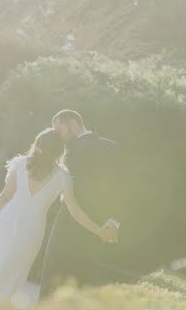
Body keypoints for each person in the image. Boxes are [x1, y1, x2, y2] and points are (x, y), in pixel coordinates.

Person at [0, 127, 118, 310]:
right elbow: (75, 211)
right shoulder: (64, 177)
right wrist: (99, 230)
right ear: (60, 151)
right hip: (32, 230)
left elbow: (4, 197)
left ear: (37, 144)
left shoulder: (20, 164)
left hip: (6, 221)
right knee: (14, 273)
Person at [38, 109, 124, 298]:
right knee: (79, 287)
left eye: (59, 129)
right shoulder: (113, 147)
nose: (58, 136)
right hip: (97, 230)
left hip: (67, 227)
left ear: (73, 122)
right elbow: (122, 189)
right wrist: (113, 222)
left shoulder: (69, 153)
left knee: (51, 283)